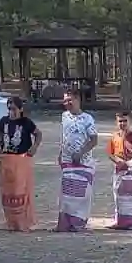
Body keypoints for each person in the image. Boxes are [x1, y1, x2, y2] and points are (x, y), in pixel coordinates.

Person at [55, 89, 98, 232]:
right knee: (66, 193)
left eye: (69, 100)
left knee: (81, 194)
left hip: (83, 162)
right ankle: (64, 224)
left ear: (78, 100)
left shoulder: (88, 119)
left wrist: (80, 153)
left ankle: (79, 223)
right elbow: (64, 136)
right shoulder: (64, 116)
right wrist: (61, 153)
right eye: (65, 100)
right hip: (67, 160)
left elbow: (94, 140)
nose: (66, 103)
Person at [0, 96, 39, 231]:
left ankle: (23, 221)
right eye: (9, 109)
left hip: (22, 159)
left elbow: (38, 134)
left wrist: (34, 148)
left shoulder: (26, 122)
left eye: (14, 109)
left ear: (21, 109)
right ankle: (10, 221)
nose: (11, 112)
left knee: (21, 190)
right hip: (7, 158)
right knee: (8, 191)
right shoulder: (4, 121)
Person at [107, 111, 132, 230]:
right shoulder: (114, 137)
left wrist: (128, 160)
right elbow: (110, 153)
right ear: (116, 122)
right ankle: (120, 220)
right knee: (118, 194)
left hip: (131, 168)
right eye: (120, 121)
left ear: (129, 122)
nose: (122, 123)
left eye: (125, 121)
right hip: (119, 168)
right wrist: (117, 161)